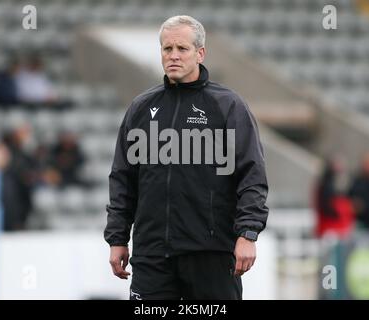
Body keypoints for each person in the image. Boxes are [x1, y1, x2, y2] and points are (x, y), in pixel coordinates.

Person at [104, 15, 269, 300]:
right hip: (152, 254)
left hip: (211, 253)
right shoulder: (141, 108)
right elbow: (123, 178)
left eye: (182, 49)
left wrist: (248, 233)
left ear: (200, 53)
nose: (174, 56)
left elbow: (251, 175)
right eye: (167, 49)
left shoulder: (228, 106)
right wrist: (118, 237)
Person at [313, 156, 354, 238]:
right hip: (331, 226)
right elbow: (325, 204)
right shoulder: (326, 183)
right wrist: (337, 214)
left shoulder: (327, 182)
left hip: (334, 225)